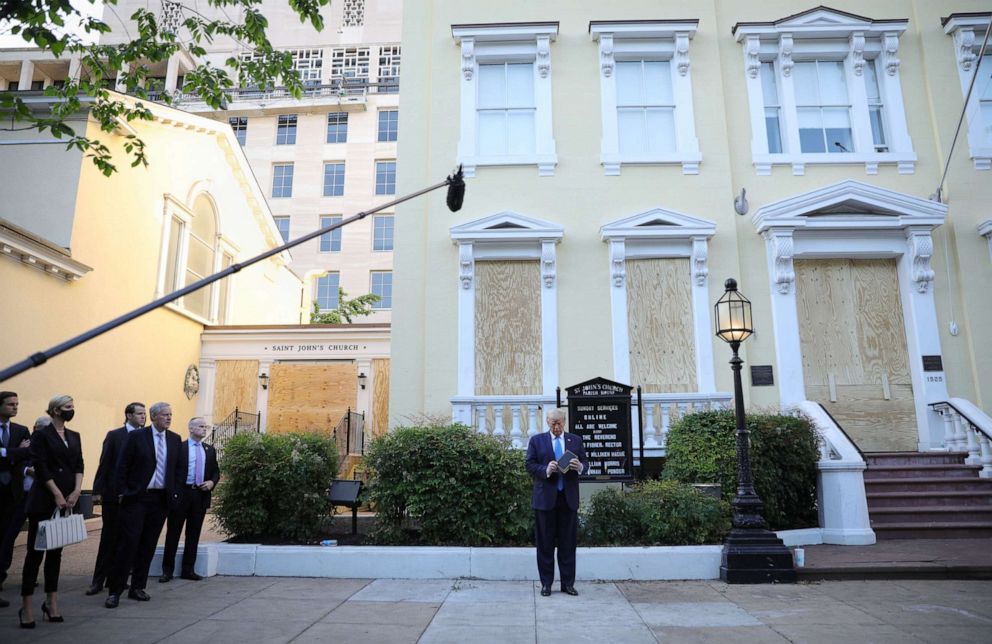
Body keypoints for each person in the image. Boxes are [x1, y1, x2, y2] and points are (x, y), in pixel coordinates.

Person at [105, 402, 182, 608]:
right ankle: (115, 590)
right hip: (137, 498)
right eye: (165, 414)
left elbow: (177, 470)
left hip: (160, 501)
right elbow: (122, 466)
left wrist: (174, 495)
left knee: (148, 545)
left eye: (170, 415)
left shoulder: (174, 440)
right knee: (128, 544)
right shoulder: (137, 437)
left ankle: (137, 587)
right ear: (154, 416)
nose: (169, 418)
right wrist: (122, 492)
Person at [19, 395, 84, 628]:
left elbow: (79, 465)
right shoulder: (41, 435)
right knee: (35, 554)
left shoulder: (74, 436)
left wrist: (76, 491)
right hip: (44, 500)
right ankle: (26, 606)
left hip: (67, 499)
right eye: (67, 407)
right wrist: (56, 494)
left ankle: (51, 602)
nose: (71, 410)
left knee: (56, 554)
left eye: (73, 407)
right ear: (55, 410)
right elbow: (41, 466)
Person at [525, 407, 587, 598]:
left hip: (567, 499)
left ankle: (568, 584)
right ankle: (546, 584)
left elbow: (585, 462)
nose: (556, 426)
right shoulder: (537, 440)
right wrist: (546, 469)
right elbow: (529, 464)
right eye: (553, 422)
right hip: (545, 500)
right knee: (545, 544)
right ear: (547, 422)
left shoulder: (575, 440)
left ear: (564, 422)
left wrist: (581, 467)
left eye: (559, 422)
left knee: (568, 544)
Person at [86, 402, 146, 596]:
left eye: (145, 414)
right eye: (139, 414)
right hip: (113, 496)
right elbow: (104, 464)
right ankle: (98, 580)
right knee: (109, 538)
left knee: (127, 540)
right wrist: (97, 491)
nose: (143, 417)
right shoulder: (115, 436)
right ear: (128, 415)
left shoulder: (145, 438)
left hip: (134, 496)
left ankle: (117, 578)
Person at [160, 417, 219, 582]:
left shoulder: (209, 450)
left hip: (199, 496)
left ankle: (188, 569)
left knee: (193, 534)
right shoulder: (180, 448)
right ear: (191, 428)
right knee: (173, 533)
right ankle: (167, 570)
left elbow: (216, 471)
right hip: (181, 495)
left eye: (206, 426)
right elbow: (170, 472)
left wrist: (212, 482)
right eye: (201, 426)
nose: (204, 429)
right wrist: (172, 494)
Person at [0, 391, 32, 608]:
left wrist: (5, 453)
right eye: (11, 404)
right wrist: (14, 452)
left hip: (13, 494)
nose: (15, 407)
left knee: (7, 539)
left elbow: (27, 456)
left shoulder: (21, 430)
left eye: (17, 404)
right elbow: (19, 455)